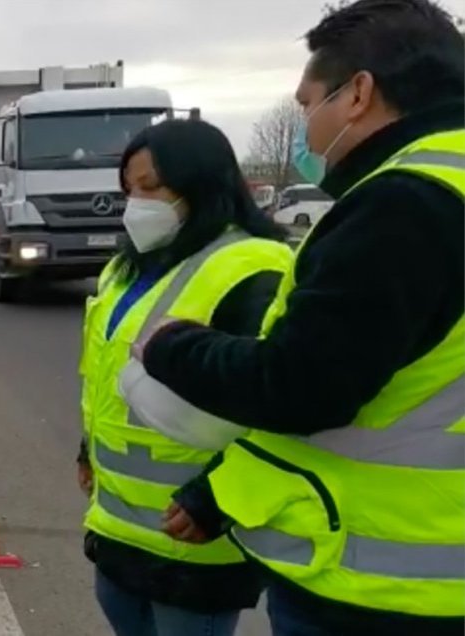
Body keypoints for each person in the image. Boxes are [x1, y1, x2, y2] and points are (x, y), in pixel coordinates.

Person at [130, 1, 465, 634]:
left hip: (392, 583)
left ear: (359, 92)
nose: (308, 128)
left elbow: (303, 387)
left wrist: (174, 347)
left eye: (309, 103)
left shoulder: (403, 203)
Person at [77, 118, 292, 636]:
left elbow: (278, 403)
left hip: (195, 533)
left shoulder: (254, 265)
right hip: (119, 524)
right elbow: (103, 372)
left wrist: (216, 498)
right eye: (129, 189)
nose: (137, 203)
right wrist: (88, 446)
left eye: (152, 187)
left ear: (202, 182)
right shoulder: (126, 269)